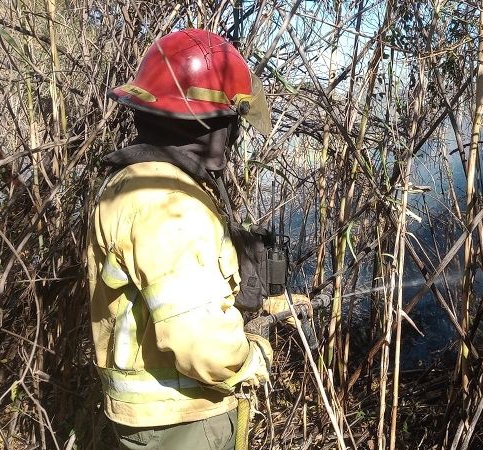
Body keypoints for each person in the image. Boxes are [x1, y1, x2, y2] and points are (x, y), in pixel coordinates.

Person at [86, 29, 303, 450]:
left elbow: (170, 294)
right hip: (182, 421)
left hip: (154, 418)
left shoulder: (134, 184)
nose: (234, 134)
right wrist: (254, 352)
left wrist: (269, 301)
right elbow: (204, 346)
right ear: (211, 126)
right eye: (230, 122)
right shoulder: (170, 206)